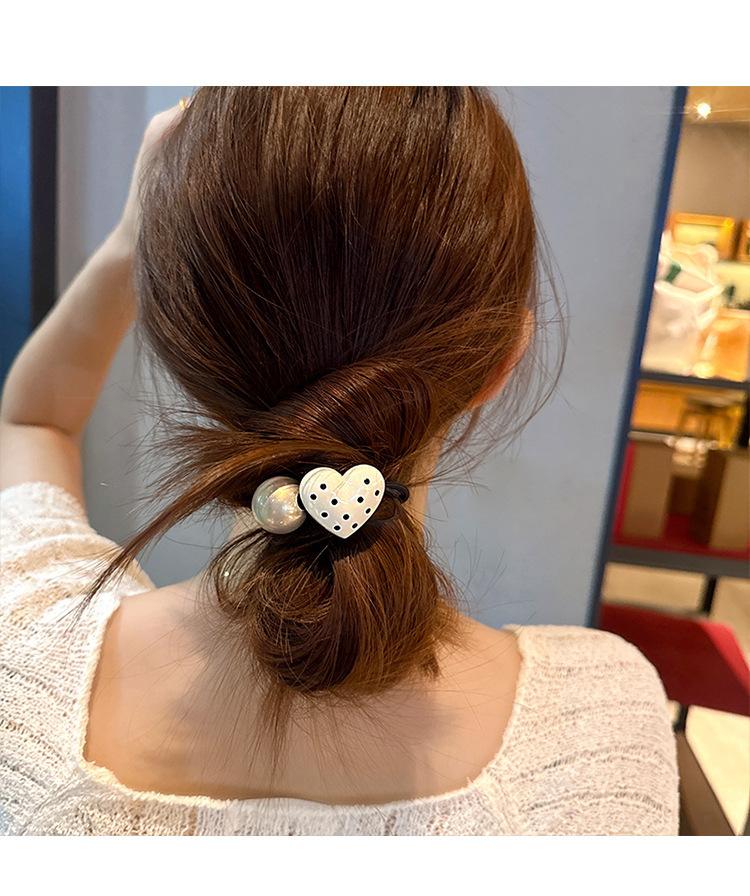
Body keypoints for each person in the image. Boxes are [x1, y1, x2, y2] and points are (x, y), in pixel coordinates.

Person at [0, 87, 678, 835]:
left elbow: (32, 420)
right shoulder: (599, 732)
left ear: (178, 335)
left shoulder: (30, 653)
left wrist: (132, 240)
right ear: (501, 362)